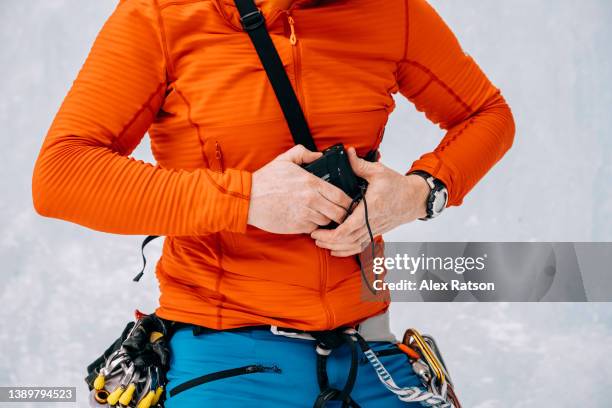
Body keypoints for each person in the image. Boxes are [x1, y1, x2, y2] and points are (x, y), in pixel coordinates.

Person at [32, 0, 515, 406]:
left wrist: (420, 192)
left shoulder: (390, 10)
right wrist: (245, 199)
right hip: (222, 352)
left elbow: (487, 114)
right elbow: (61, 174)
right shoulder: (161, 14)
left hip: (368, 349)